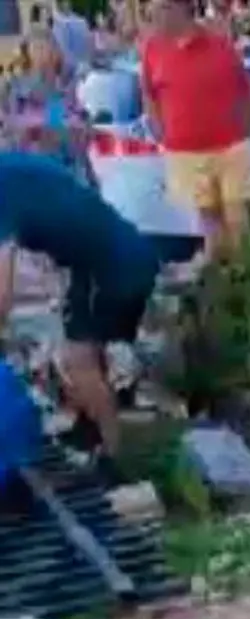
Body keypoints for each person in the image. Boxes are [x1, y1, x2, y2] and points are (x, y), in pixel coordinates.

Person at [0, 151, 162, 480]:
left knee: (78, 361)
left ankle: (115, 459)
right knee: (81, 350)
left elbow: (2, 287)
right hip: (110, 257)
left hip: (113, 268)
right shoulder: (15, 164)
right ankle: (93, 429)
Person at [139, 0, 250, 262]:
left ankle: (246, 275)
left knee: (237, 217)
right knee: (209, 224)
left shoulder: (218, 43)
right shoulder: (152, 49)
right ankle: (221, 282)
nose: (153, 20)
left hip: (229, 146)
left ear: (179, 9)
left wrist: (248, 127)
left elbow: (246, 88)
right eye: (150, 14)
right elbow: (148, 93)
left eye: (158, 12)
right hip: (185, 152)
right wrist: (158, 128)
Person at [2, 26, 94, 183]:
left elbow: (63, 133)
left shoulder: (63, 91)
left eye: (44, 48)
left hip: (56, 169)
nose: (41, 54)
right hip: (27, 169)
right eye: (36, 49)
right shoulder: (16, 87)